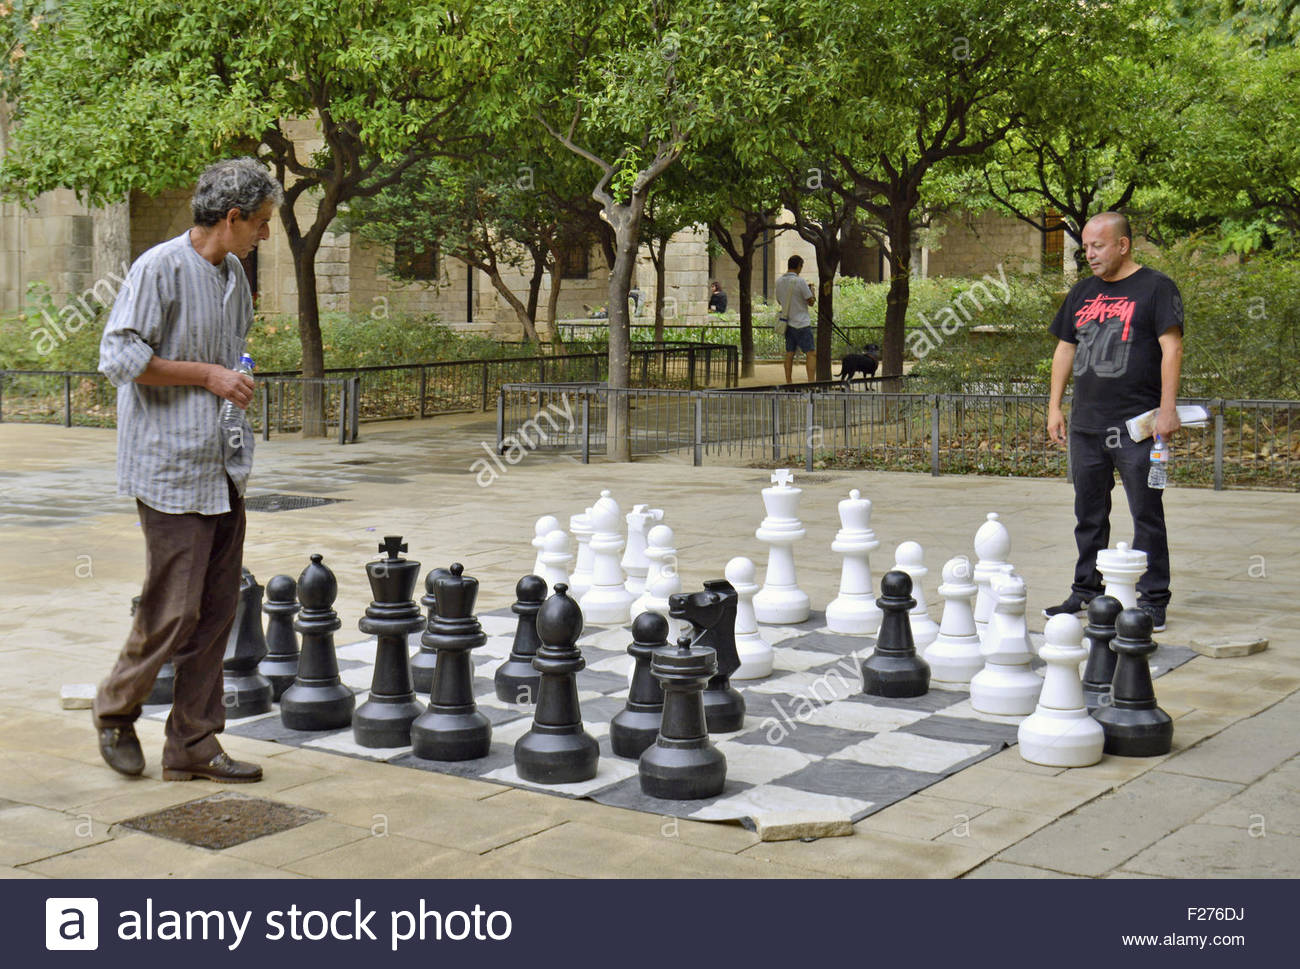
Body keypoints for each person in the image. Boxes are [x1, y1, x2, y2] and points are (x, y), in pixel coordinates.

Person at [94, 158, 282, 782]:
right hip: (170, 465)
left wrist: (232, 380)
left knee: (218, 610)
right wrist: (207, 375)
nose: (265, 233)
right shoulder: (158, 267)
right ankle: (116, 713)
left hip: (222, 464)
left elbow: (228, 357)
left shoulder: (233, 274)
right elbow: (119, 356)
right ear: (230, 219)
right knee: (173, 608)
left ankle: (194, 745)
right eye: (259, 223)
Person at [1045, 211, 1183, 632]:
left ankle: (1153, 600)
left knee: (1146, 512)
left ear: (1123, 245)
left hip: (1137, 426)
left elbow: (1172, 349)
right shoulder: (1082, 292)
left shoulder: (1156, 288)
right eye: (1085, 247)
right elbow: (1065, 350)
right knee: (1088, 513)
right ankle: (1086, 590)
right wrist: (1054, 406)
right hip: (1087, 426)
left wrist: (1167, 408)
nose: (1089, 254)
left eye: (1097, 246)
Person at [774, 255, 816, 383]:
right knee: (811, 353)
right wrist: (812, 291)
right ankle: (810, 382)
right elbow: (811, 302)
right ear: (799, 266)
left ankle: (789, 382)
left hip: (787, 322)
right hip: (802, 323)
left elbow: (779, 300)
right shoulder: (800, 281)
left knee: (789, 353)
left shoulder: (779, 282)